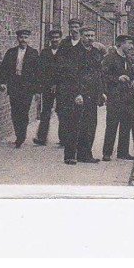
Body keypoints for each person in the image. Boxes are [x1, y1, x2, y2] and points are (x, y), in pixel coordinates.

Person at [0, 28, 40, 147]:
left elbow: (38, 73)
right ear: (18, 38)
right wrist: (2, 82)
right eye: (21, 37)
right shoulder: (10, 52)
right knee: (15, 111)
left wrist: (37, 91)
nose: (23, 40)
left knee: (24, 111)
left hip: (27, 87)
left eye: (26, 37)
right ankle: (18, 134)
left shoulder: (33, 53)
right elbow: (3, 69)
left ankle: (21, 136)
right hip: (14, 85)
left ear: (29, 39)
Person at [56, 18, 88, 165]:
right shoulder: (64, 44)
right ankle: (68, 153)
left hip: (79, 89)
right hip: (65, 88)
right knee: (66, 120)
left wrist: (81, 91)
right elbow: (58, 65)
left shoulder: (84, 46)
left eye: (76, 27)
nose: (74, 29)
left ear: (80, 29)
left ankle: (73, 154)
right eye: (72, 27)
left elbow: (86, 72)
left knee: (77, 122)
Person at [102, 35, 134, 160]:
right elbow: (104, 76)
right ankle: (107, 153)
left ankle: (123, 152)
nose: (131, 46)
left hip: (128, 97)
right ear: (121, 44)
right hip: (115, 96)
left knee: (126, 124)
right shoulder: (110, 58)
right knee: (112, 124)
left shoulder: (128, 59)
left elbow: (132, 74)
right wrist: (117, 79)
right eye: (129, 43)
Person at [77, 27, 106, 163]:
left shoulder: (96, 53)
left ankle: (87, 153)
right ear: (81, 36)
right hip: (81, 94)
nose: (90, 38)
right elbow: (73, 75)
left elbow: (99, 74)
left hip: (93, 93)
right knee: (81, 124)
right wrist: (77, 93)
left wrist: (102, 92)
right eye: (87, 35)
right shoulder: (76, 52)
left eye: (92, 35)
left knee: (91, 124)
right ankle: (80, 153)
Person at [34, 27, 63, 146]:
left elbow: (65, 70)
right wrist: (40, 87)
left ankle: (64, 138)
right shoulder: (45, 52)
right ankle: (41, 137)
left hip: (61, 86)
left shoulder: (65, 52)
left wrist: (57, 83)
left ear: (60, 39)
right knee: (45, 111)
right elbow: (40, 70)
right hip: (47, 86)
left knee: (62, 112)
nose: (55, 40)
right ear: (49, 39)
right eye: (53, 38)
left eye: (57, 37)